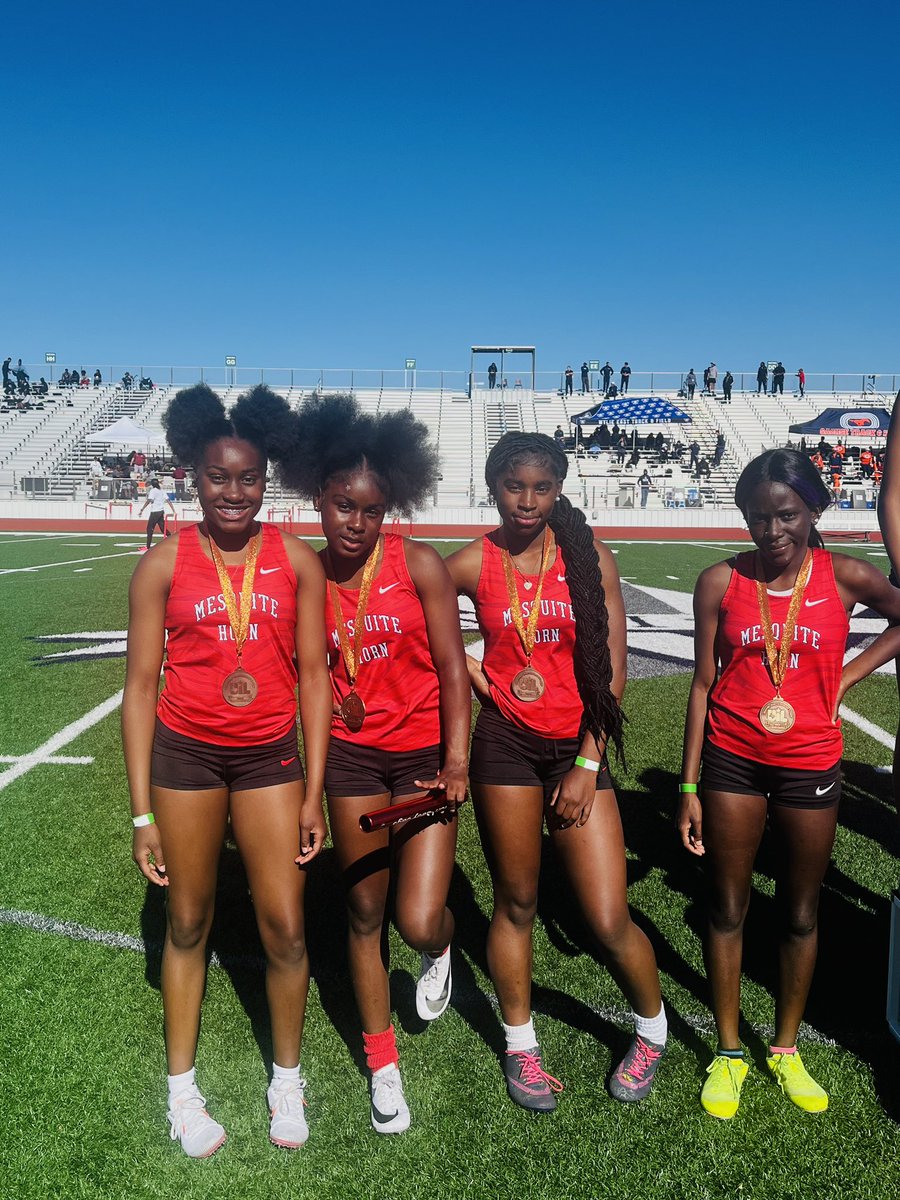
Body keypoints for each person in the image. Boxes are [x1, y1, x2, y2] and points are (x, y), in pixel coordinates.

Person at [122, 383, 331, 1157]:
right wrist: (142, 811)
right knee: (187, 922)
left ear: (265, 479)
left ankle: (286, 1077)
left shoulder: (296, 560)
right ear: (194, 477)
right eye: (218, 478)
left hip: (271, 760)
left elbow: (314, 676)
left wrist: (313, 792)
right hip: (186, 758)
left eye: (248, 478)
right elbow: (140, 687)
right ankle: (182, 1091)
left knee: (283, 925)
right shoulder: (162, 565)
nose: (234, 492)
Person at [447, 432, 667, 1113]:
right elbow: (426, 624)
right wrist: (484, 680)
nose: (528, 501)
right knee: (515, 903)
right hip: (504, 750)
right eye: (515, 486)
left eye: (542, 488)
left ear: (559, 489)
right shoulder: (469, 561)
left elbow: (612, 672)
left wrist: (588, 763)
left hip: (579, 749)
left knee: (605, 915)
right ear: (493, 486)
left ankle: (652, 1032)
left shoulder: (586, 555)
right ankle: (521, 1046)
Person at [678, 448, 900, 1120]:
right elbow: (702, 684)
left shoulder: (848, 576)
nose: (771, 531)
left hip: (810, 761)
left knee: (801, 910)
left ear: (813, 512)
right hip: (732, 761)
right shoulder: (720, 581)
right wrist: (687, 785)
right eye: (757, 518)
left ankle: (784, 1047)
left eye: (786, 515)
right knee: (726, 906)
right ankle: (728, 1051)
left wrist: (847, 678)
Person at [281, 393, 470, 1135]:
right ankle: (382, 1065)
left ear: (390, 507)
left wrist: (456, 759)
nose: (354, 522)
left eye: (370, 509)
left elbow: (455, 671)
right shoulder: (306, 574)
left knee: (418, 918)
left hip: (423, 764)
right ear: (318, 501)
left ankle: (441, 948)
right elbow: (306, 674)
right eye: (340, 506)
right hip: (354, 764)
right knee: (363, 916)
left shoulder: (418, 564)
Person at [139, 478, 177, 550]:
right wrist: (173, 510)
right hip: (161, 511)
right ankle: (172, 539)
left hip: (155, 512)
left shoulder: (153, 491)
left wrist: (142, 509)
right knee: (163, 528)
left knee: (149, 529)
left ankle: (147, 546)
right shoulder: (161, 491)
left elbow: (149, 500)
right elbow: (168, 500)